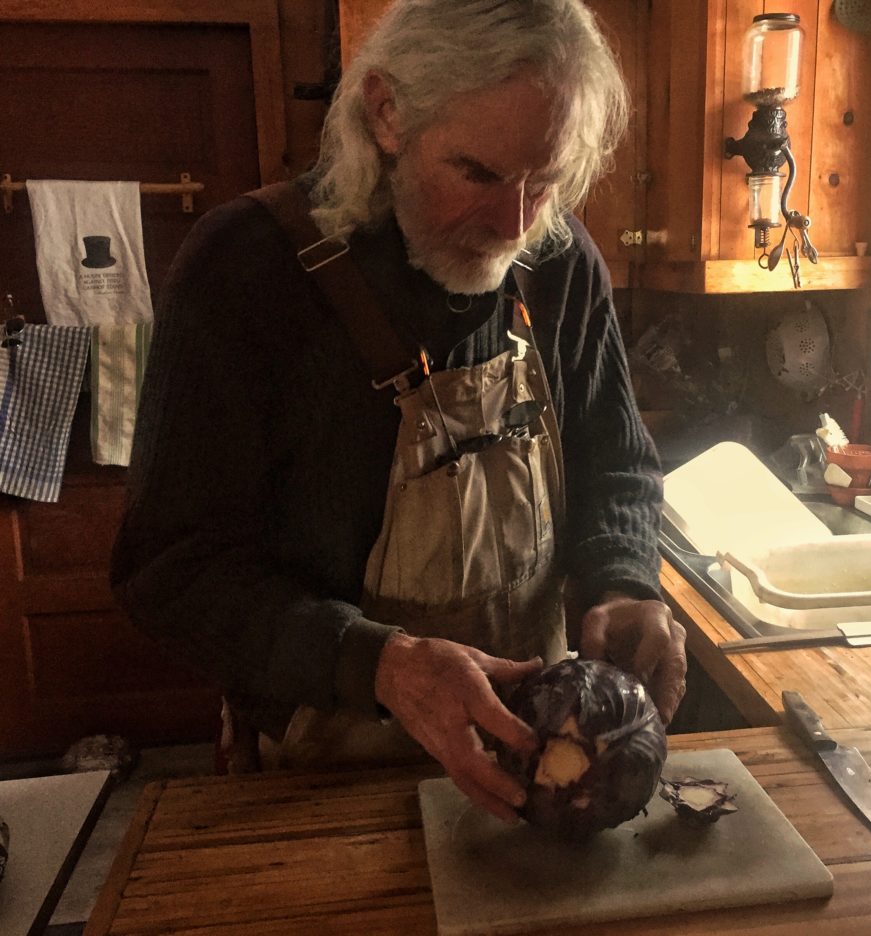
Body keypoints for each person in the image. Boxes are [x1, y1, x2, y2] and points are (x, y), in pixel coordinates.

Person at [111, 0, 686, 823]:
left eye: (547, 181)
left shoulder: (558, 263)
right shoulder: (244, 270)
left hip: (540, 775)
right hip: (322, 784)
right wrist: (380, 664)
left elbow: (617, 467)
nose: (514, 224)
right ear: (386, 114)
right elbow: (167, 570)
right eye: (479, 174)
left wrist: (624, 580)